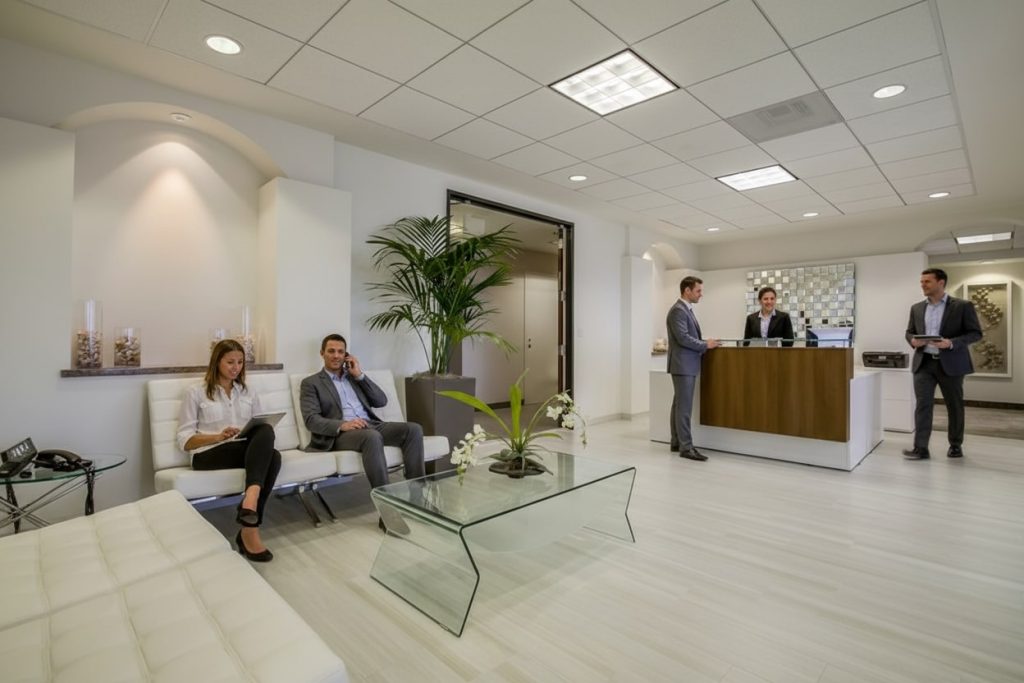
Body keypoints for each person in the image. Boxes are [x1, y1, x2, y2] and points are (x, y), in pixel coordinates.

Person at [176, 339, 281, 562]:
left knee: (265, 431)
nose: (236, 367)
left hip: (240, 450)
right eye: (230, 362)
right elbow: (184, 441)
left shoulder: (248, 391)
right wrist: (218, 436)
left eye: (240, 362)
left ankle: (249, 511)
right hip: (208, 453)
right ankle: (249, 525)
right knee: (273, 457)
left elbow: (261, 428)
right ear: (217, 362)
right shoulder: (196, 392)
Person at [299, 334, 425, 507]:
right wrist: (343, 424)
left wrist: (359, 375)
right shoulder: (310, 383)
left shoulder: (354, 377)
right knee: (371, 436)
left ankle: (418, 499)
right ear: (322, 353)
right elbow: (311, 420)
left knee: (414, 429)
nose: (336, 355)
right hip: (340, 434)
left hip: (369, 425)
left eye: (340, 352)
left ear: (346, 355)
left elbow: (381, 401)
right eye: (331, 351)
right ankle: (386, 506)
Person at [903, 268, 982, 460]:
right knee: (923, 406)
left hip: (951, 364)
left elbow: (975, 333)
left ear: (941, 283)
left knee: (954, 406)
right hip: (924, 363)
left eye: (927, 281)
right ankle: (920, 448)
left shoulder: (962, 306)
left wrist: (951, 343)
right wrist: (913, 340)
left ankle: (955, 445)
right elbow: (909, 331)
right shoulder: (917, 308)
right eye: (921, 281)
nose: (923, 285)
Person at [667, 276, 719, 461]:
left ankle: (676, 441)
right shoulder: (678, 311)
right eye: (698, 291)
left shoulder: (685, 309)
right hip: (683, 365)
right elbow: (683, 338)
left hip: (685, 364)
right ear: (687, 291)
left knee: (679, 405)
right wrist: (706, 345)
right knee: (684, 408)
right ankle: (686, 447)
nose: (701, 294)